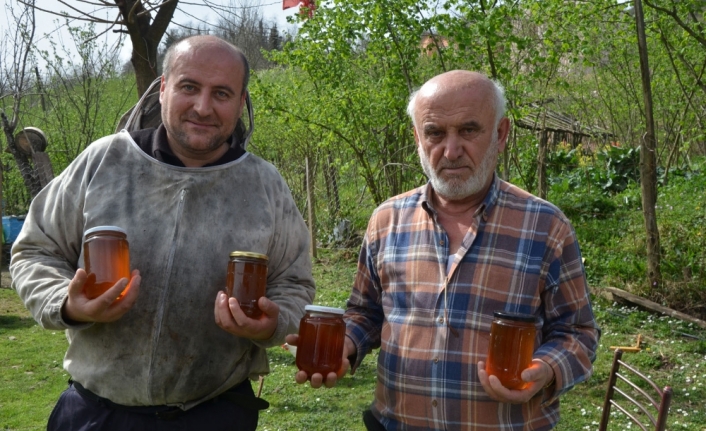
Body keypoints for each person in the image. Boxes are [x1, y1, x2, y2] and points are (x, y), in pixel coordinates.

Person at [10, 35, 315, 431]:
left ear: (241, 103)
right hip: (96, 414)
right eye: (189, 87)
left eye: (221, 93)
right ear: (163, 88)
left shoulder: (264, 185)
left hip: (215, 414)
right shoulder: (105, 161)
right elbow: (35, 251)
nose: (203, 107)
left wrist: (273, 324)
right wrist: (66, 305)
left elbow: (293, 284)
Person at [287, 70, 600, 430]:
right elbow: (367, 312)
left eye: (468, 130)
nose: (451, 151)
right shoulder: (387, 219)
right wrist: (344, 344)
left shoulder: (545, 227)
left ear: (500, 134)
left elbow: (579, 333)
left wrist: (544, 370)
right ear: (418, 139)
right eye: (435, 133)